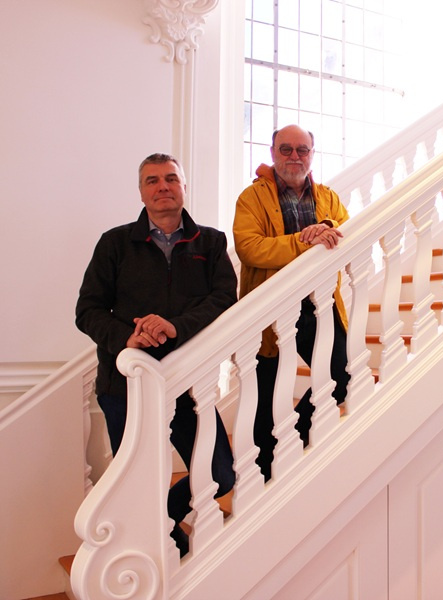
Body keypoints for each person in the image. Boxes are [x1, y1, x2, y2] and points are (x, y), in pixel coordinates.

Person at [76, 153, 237, 557]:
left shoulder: (212, 242)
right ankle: (170, 544)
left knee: (220, 473)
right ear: (142, 191)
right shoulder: (114, 243)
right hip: (124, 386)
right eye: (152, 180)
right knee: (136, 481)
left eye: (171, 179)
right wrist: (127, 337)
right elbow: (87, 310)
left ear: (184, 186)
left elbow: (223, 301)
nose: (162, 187)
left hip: (189, 384)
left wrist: (174, 326)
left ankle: (161, 521)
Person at [233, 124, 350, 481]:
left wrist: (326, 224)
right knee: (264, 399)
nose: (294, 157)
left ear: (312, 155)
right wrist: (303, 240)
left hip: (318, 306)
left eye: (302, 150)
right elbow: (249, 247)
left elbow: (345, 227)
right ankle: (261, 476)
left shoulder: (327, 197)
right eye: (286, 149)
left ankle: (292, 440)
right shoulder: (251, 198)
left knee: (342, 375)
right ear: (272, 153)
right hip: (269, 314)